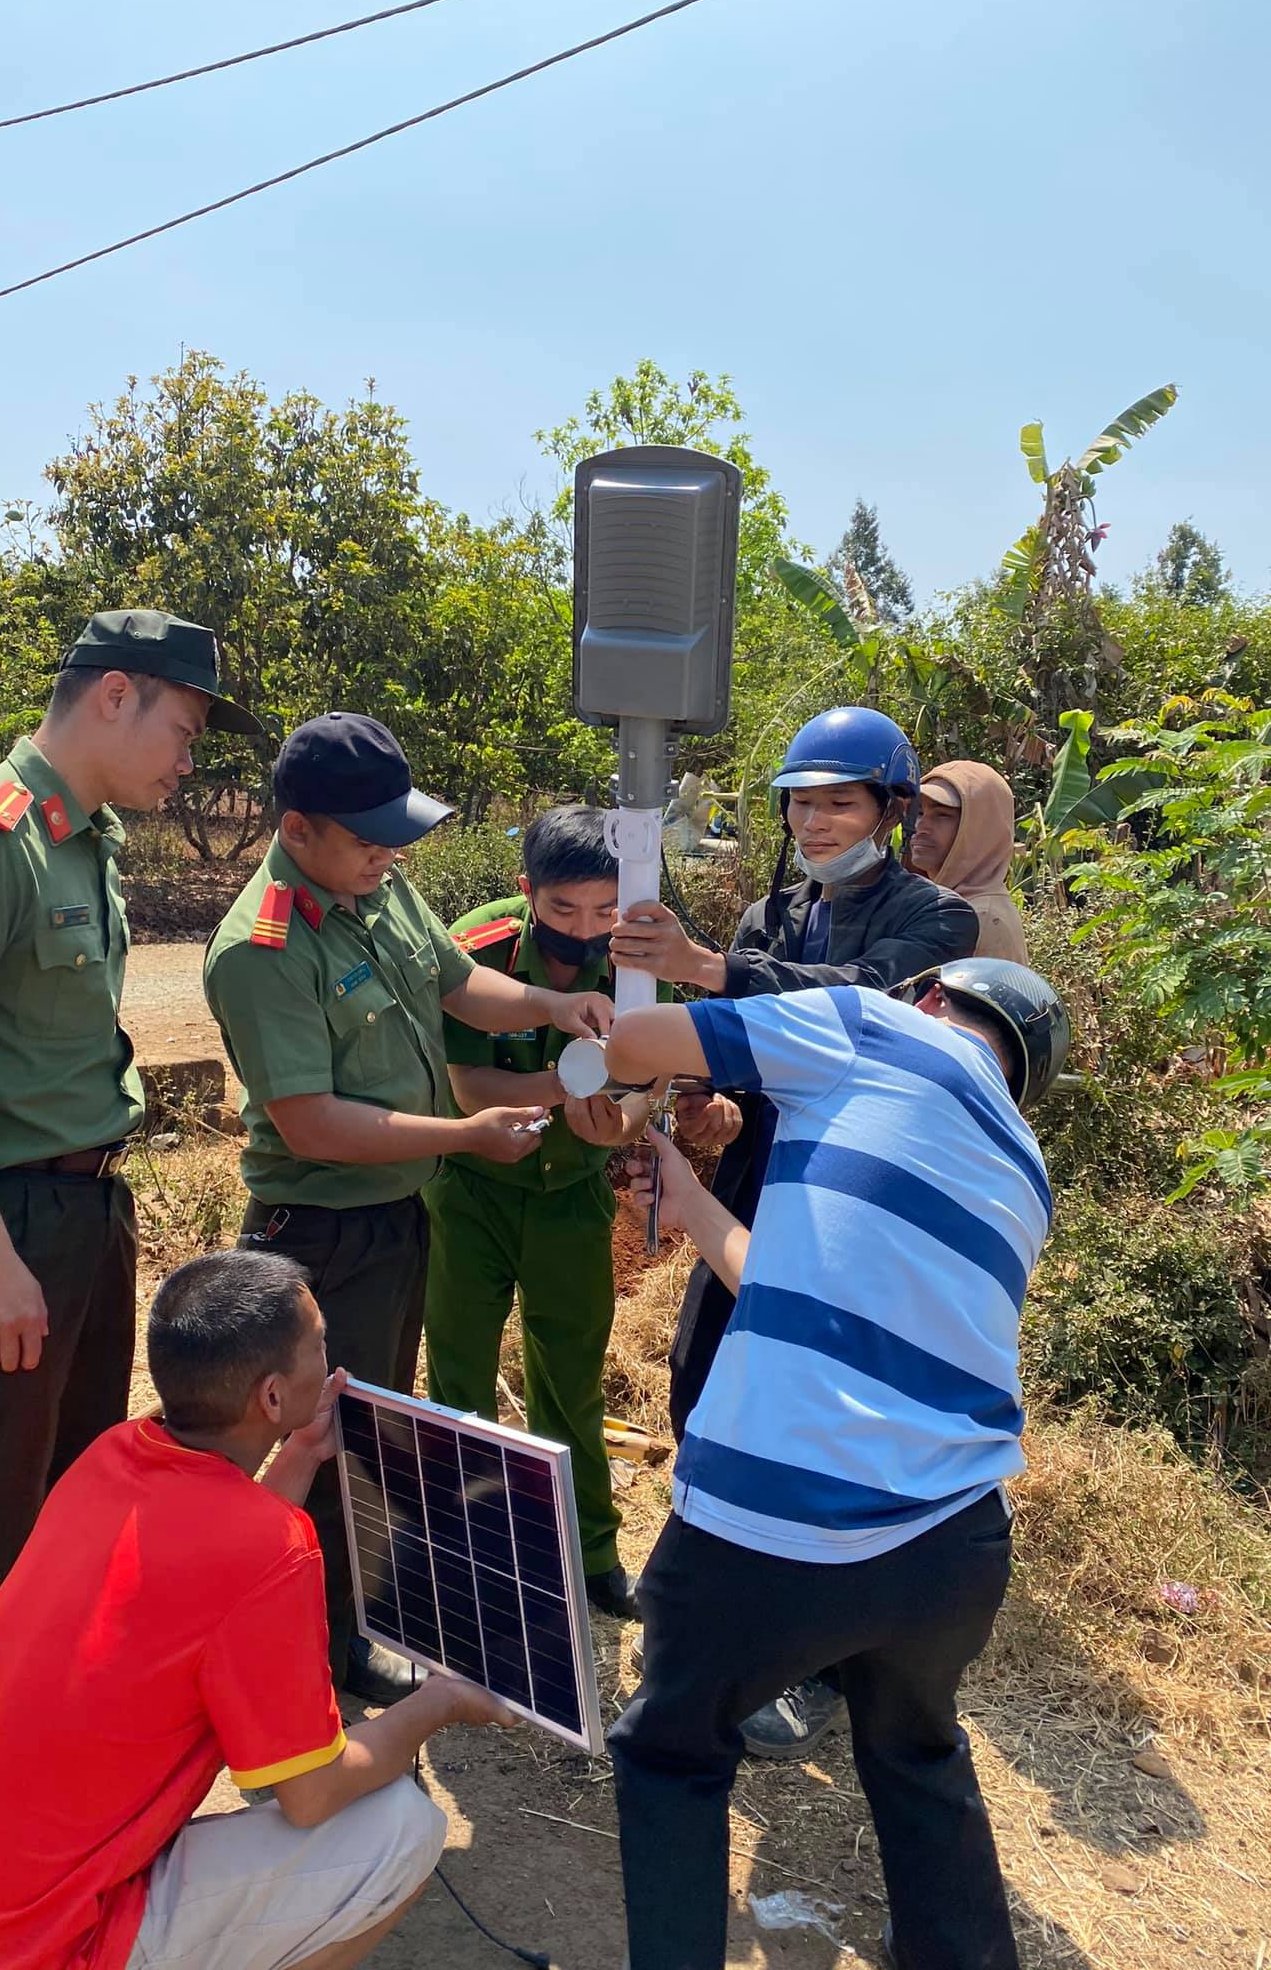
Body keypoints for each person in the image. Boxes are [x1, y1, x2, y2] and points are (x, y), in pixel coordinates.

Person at [0, 608, 260, 1844]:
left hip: (80, 1205)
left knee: (67, 1505)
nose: (189, 761)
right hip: (1, 1214)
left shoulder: (78, 841)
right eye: (186, 729)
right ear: (116, 696)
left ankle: (24, 1751)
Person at [603, 961, 1071, 1970]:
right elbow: (794, 1284)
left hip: (772, 1519)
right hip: (952, 1541)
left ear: (932, 993)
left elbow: (635, 1045)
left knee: (670, 1755)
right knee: (915, 1750)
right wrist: (686, 1201)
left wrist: (623, 1049)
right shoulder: (1023, 1168)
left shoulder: (873, 1023)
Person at [0, 1247, 517, 1970]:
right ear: (273, 1399)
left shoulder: (113, 1456)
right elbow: (311, 1794)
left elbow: (212, 1563)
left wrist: (296, 1459)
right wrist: (439, 1703)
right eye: (319, 1344)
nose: (331, 1355)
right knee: (400, 1825)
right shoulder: (272, 1551)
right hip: (54, 1947)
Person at [204, 714, 612, 1704]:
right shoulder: (262, 949)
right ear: (298, 829)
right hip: (324, 1231)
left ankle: (348, 1628)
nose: (388, 856)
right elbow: (313, 1124)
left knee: (362, 1440)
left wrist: (550, 1007)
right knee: (312, 1438)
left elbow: (458, 981)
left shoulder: (372, 887)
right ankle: (288, 1646)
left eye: (395, 838)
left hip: (396, 1218)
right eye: (368, 839)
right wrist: (467, 1135)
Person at [609, 706, 980, 1757]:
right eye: (801, 802)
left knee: (826, 1416)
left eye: (839, 801)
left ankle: (820, 1659)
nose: (816, 820)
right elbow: (731, 1050)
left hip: (861, 1200)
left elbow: (864, 1007)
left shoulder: (939, 920)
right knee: (702, 1374)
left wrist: (712, 973)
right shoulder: (775, 913)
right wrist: (700, 1102)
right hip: (764, 1177)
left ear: (890, 812)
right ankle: (715, 1597)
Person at [423, 805, 669, 1620]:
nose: (585, 929)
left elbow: (646, 1084)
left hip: (570, 1196)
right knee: (461, 1371)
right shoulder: (480, 950)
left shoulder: (638, 959)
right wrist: (570, 1090)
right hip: (471, 1192)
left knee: (570, 1377)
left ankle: (589, 1548)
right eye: (562, 910)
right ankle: (476, 1547)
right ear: (526, 890)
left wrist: (619, 1124)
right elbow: (471, 1090)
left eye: (603, 910)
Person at [909, 759, 1030, 963]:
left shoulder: (982, 919)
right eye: (920, 813)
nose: (921, 827)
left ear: (979, 829)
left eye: (942, 815)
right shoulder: (947, 906)